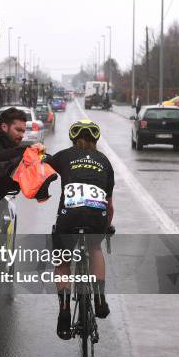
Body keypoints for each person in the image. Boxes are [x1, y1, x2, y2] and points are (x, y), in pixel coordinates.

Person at [44, 119, 115, 340]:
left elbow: (43, 165)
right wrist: (107, 226)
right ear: (96, 140)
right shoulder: (104, 161)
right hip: (97, 217)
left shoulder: (65, 155)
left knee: (63, 260)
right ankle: (100, 299)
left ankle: (64, 311)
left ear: (74, 139)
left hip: (69, 216)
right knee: (95, 248)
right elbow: (110, 205)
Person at [0, 107, 44, 206]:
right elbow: (0, 157)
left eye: (23, 131)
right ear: (4, 127)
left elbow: (9, 174)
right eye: (18, 130)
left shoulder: (6, 145)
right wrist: (28, 149)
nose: (21, 135)